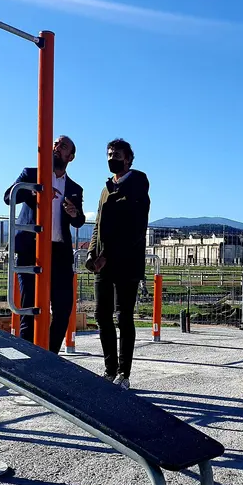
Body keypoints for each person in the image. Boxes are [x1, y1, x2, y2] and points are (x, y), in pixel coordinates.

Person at [4, 135, 85, 353]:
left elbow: (79, 221)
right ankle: (26, 361)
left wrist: (74, 212)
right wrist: (35, 191)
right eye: (56, 144)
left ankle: (50, 357)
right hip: (32, 250)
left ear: (71, 157)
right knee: (30, 308)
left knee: (63, 309)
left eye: (64, 146)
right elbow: (8, 196)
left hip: (59, 252)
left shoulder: (75, 188)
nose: (57, 148)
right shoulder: (31, 174)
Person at [87, 139, 150, 389]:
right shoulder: (105, 189)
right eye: (109, 154)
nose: (112, 158)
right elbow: (98, 225)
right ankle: (109, 369)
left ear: (128, 159)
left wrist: (107, 256)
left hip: (126, 263)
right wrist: (92, 254)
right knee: (102, 315)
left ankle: (124, 373)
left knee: (124, 316)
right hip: (103, 264)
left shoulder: (137, 184)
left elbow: (133, 229)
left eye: (117, 154)